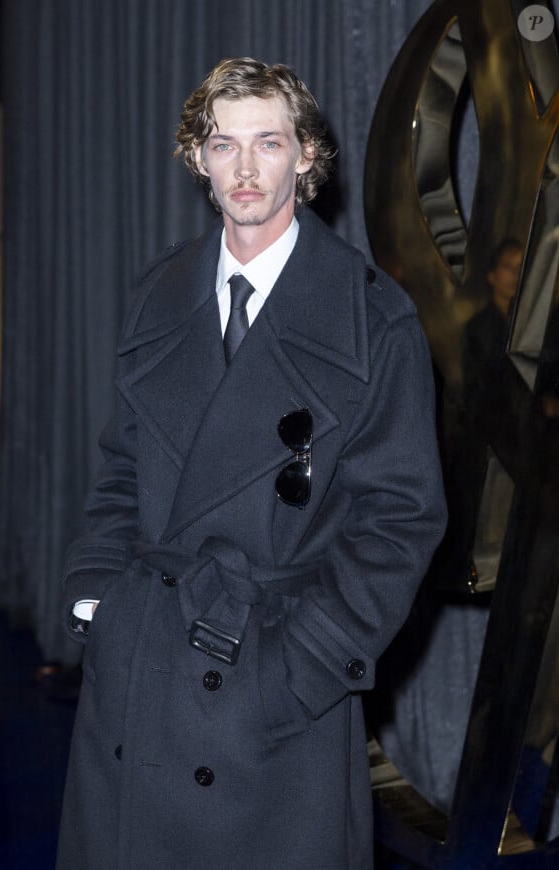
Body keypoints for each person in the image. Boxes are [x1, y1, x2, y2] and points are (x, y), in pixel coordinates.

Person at [56, 57, 446, 870]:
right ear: (196, 156)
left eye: (267, 142)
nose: (244, 169)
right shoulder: (160, 291)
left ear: (306, 155)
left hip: (272, 693)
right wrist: (97, 603)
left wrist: (297, 671)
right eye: (222, 144)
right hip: (142, 675)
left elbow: (400, 522)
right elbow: (122, 467)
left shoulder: (372, 318)